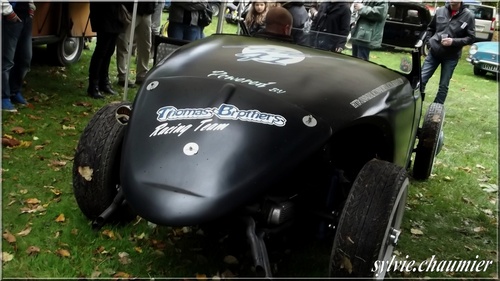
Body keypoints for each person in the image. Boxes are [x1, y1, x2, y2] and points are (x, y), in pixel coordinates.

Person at [421, 0, 475, 104]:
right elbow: (430, 28)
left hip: (451, 56)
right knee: (422, 79)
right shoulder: (440, 11)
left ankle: (436, 111)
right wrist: (429, 43)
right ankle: (416, 104)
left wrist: (453, 42)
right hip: (434, 53)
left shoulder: (468, 16)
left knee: (443, 85)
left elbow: (471, 38)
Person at [2, 0, 36, 112]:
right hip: (9, 15)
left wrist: (30, 6)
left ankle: (14, 91)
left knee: (25, 59)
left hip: (25, 16)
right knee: (7, 60)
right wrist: (7, 11)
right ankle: (3, 97)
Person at [87, 2, 123, 99]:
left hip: (115, 15)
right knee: (101, 51)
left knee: (109, 50)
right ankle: (93, 86)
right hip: (103, 14)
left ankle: (104, 82)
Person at [116, 2, 155, 87]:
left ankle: (142, 74)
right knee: (124, 42)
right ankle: (122, 76)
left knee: (146, 45)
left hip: (146, 12)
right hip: (130, 10)